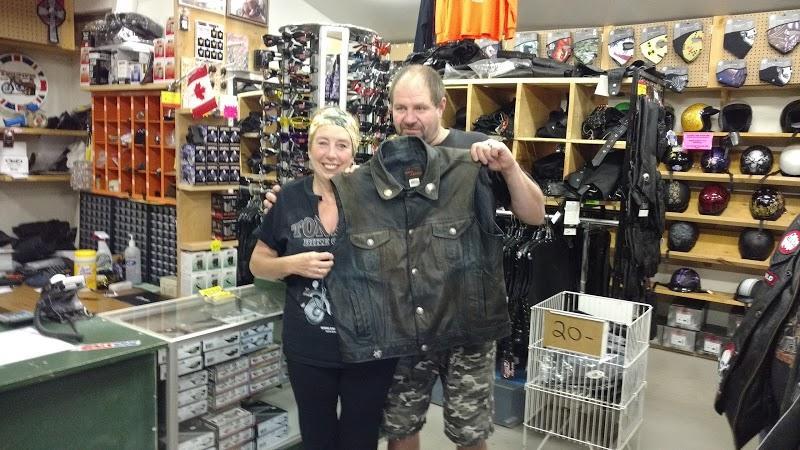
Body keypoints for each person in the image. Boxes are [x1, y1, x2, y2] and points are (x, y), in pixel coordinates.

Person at [264, 65, 545, 450]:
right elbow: (331, 189)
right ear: (390, 111)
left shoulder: (477, 152)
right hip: (401, 326)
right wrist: (287, 202)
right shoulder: (382, 168)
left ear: (441, 106)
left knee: (470, 434)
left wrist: (509, 167)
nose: (409, 118)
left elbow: (535, 215)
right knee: (401, 428)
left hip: (467, 327)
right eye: (401, 108)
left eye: (420, 108)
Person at [249, 107, 398, 450]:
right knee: (317, 438)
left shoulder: (378, 198)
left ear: (354, 150)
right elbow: (258, 264)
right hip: (309, 349)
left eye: (342, 145)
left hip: (369, 348)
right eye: (323, 143)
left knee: (361, 439)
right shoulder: (288, 198)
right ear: (309, 146)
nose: (331, 154)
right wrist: (293, 264)